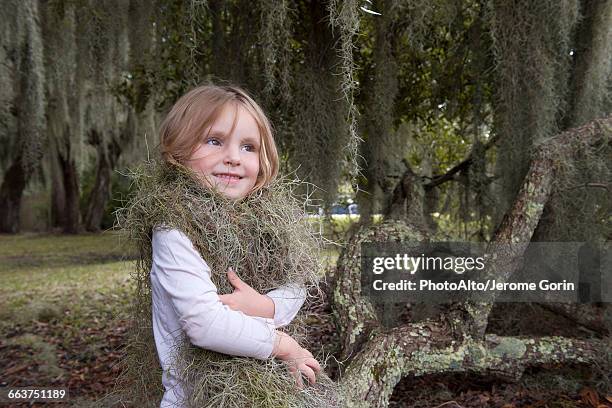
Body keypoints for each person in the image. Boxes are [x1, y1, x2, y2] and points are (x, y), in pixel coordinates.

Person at [150, 85, 322, 407]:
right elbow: (205, 324)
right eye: (214, 141)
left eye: (248, 147)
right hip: (197, 399)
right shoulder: (173, 228)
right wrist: (284, 345)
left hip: (266, 393)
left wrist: (267, 307)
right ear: (179, 151)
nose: (232, 157)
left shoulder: (265, 219)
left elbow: (298, 281)